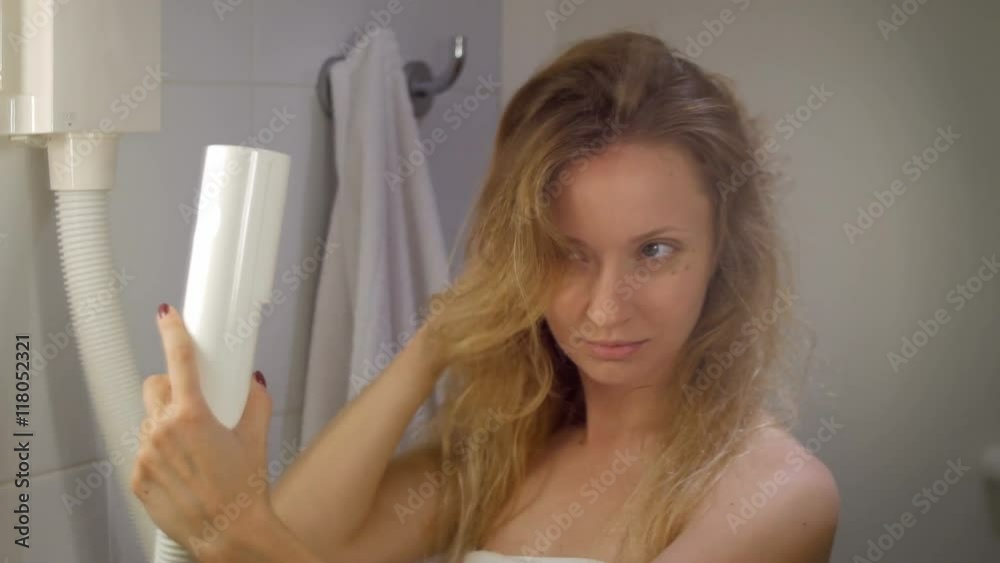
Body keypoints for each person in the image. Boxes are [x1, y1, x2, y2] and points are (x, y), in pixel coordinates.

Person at [131, 31, 840, 563]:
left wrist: (235, 532)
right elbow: (308, 539)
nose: (605, 308)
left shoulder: (777, 494)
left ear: (722, 251)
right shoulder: (505, 457)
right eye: (566, 252)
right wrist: (438, 340)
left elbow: (269, 544)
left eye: (654, 251)